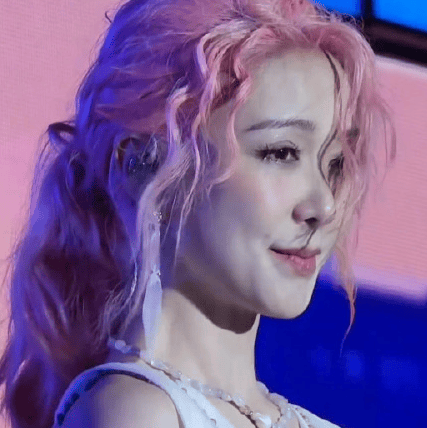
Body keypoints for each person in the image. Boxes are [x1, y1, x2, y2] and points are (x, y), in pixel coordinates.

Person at [0, 0, 395, 427]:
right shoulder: (134, 414)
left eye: (336, 164)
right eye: (281, 153)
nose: (324, 205)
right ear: (141, 166)